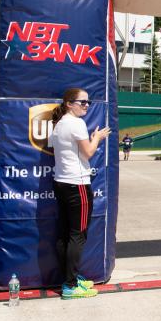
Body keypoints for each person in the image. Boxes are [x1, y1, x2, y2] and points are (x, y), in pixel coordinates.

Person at [49, 88, 110, 299]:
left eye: (87, 102)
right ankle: (70, 284)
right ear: (69, 103)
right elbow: (89, 152)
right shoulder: (76, 124)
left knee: (66, 233)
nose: (86, 105)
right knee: (78, 235)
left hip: (61, 183)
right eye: (82, 102)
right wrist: (98, 137)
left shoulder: (59, 124)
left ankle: (70, 277)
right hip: (77, 184)